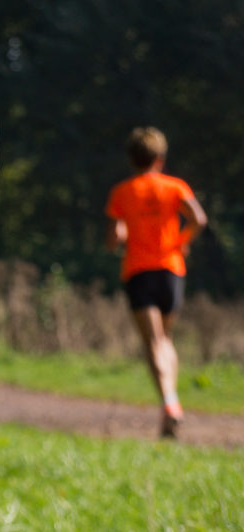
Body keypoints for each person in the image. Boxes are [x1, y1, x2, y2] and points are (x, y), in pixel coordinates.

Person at [105, 127, 207, 438]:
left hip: (139, 271)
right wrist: (180, 241)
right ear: (160, 159)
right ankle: (170, 407)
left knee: (153, 341)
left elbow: (113, 239)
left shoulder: (122, 192)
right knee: (166, 339)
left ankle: (170, 403)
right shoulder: (175, 186)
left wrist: (121, 237)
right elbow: (199, 220)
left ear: (132, 160)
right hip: (171, 270)